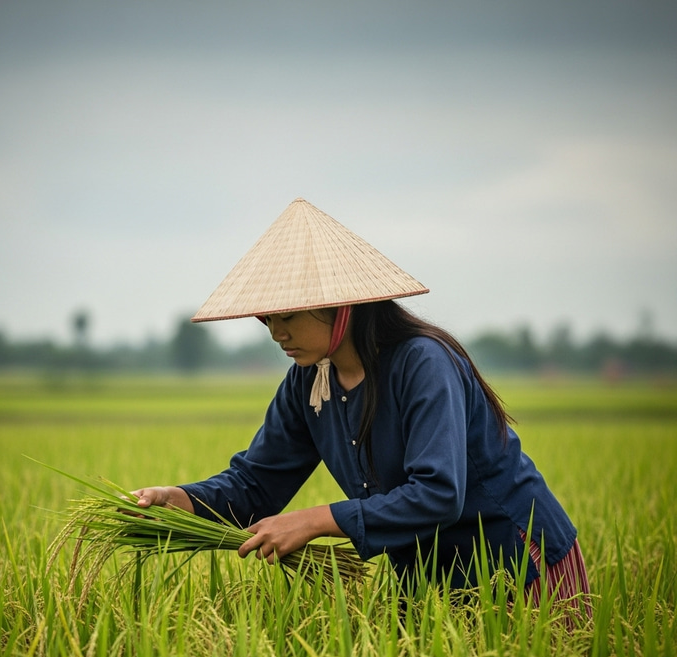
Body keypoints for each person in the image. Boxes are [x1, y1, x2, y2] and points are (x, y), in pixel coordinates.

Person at [132, 198, 591, 615]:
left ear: (342, 308)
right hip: (431, 581)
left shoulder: (423, 364)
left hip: (516, 560)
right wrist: (184, 500)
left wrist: (314, 520)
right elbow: (256, 484)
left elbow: (438, 493)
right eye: (268, 318)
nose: (276, 332)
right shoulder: (308, 383)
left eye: (288, 315)